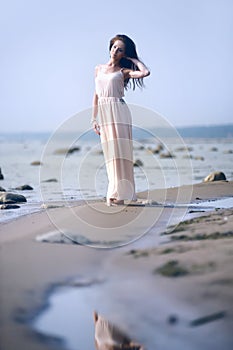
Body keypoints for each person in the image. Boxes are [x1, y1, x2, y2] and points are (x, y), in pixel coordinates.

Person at [91, 34, 150, 206]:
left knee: (120, 154)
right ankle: (116, 192)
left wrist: (134, 59)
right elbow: (95, 95)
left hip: (119, 112)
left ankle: (118, 194)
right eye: (114, 47)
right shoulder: (98, 69)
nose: (115, 51)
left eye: (120, 49)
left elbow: (145, 72)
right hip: (104, 112)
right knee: (110, 155)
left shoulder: (123, 72)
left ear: (124, 54)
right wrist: (93, 119)